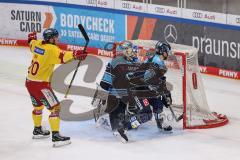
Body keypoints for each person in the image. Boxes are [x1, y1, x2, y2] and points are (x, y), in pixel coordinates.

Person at [26, 28, 88, 147]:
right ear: (51, 38)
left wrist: (32, 37)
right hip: (41, 85)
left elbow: (31, 42)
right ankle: (56, 137)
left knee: (38, 106)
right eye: (56, 37)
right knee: (56, 109)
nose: (58, 39)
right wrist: (77, 54)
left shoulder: (37, 44)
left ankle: (37, 130)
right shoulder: (52, 49)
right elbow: (64, 56)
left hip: (29, 82)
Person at [144, 41, 172, 131]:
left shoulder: (155, 58)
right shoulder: (158, 62)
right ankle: (123, 123)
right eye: (167, 51)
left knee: (158, 103)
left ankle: (160, 122)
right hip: (141, 88)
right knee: (144, 112)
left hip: (146, 87)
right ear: (163, 51)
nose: (168, 53)